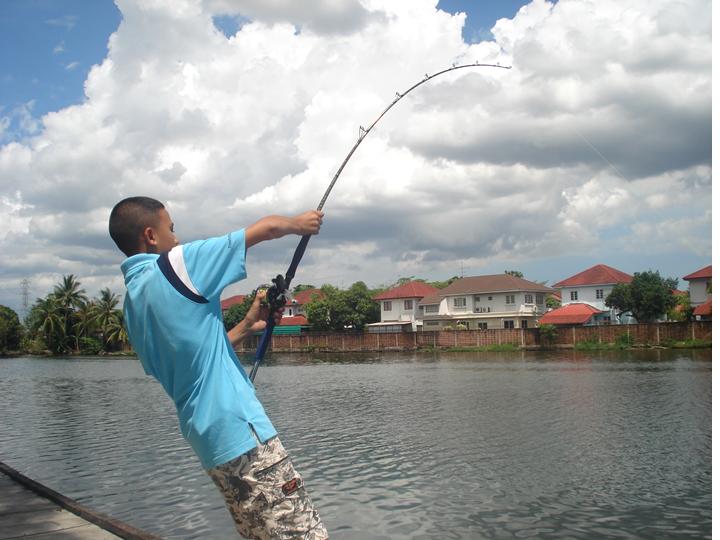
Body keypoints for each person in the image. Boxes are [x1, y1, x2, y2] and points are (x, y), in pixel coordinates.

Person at [108, 196, 328, 539]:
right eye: (172, 228)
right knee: (304, 533)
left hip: (211, 444)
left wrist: (247, 326)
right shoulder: (174, 264)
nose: (177, 238)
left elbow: (194, 359)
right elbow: (263, 230)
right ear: (151, 235)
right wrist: (300, 225)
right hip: (243, 434)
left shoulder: (132, 305)